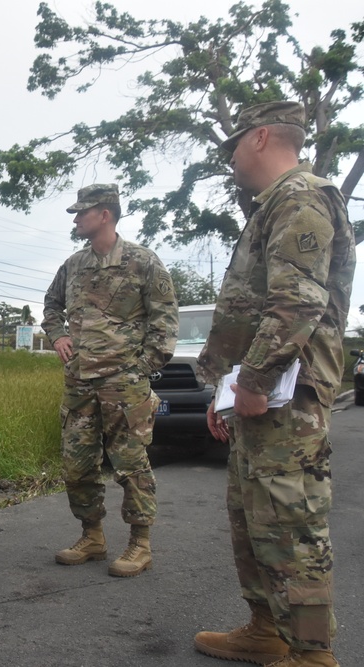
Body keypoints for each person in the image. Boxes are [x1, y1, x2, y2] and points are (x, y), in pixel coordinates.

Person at [193, 101, 354, 667]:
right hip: (260, 396)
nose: (231, 157)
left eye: (235, 144)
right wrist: (228, 389)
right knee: (254, 517)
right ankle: (267, 629)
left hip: (288, 399)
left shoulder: (300, 198)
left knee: (290, 520)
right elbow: (252, 311)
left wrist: (255, 382)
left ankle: (311, 654)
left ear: (260, 137)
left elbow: (296, 302)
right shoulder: (272, 203)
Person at [42, 183, 178, 578]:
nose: (76, 219)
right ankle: (92, 536)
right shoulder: (73, 265)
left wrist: (141, 368)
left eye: (82, 212)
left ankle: (140, 543)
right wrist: (58, 336)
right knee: (77, 465)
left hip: (124, 384)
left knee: (130, 464)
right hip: (79, 383)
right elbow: (51, 306)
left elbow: (165, 321)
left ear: (105, 215)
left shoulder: (143, 261)